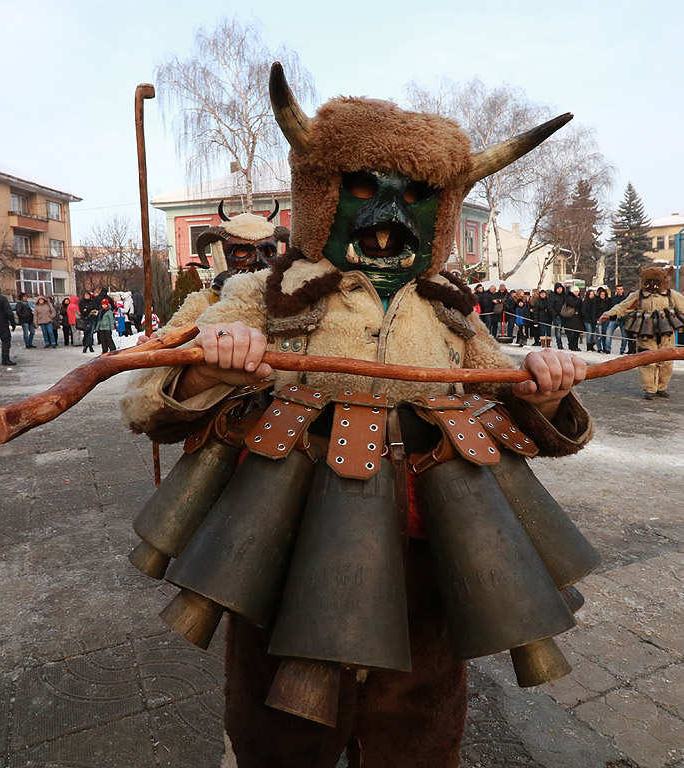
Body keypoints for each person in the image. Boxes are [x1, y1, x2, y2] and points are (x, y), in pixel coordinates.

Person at [120, 76, 593, 768]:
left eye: (416, 199)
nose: (389, 221)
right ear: (324, 198)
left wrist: (548, 392)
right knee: (280, 737)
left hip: (427, 550)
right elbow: (144, 400)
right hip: (281, 548)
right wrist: (207, 369)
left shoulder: (451, 311)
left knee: (420, 735)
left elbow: (507, 395)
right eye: (366, 194)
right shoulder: (257, 294)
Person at [601, 263, 684, 400]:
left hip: (666, 333)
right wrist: (609, 314)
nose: (652, 285)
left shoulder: (671, 295)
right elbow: (623, 306)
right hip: (645, 332)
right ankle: (649, 389)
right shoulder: (638, 295)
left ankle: (661, 387)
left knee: (666, 362)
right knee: (647, 361)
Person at [606, 284, 628, 354]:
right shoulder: (613, 299)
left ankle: (622, 350)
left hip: (623, 319)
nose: (619, 291)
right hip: (613, 319)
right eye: (618, 289)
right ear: (616, 290)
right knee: (608, 334)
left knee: (624, 336)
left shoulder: (626, 298)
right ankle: (608, 349)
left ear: (623, 290)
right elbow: (610, 308)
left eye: (620, 289)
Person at [548, 283, 566, 349]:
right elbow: (550, 306)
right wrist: (555, 314)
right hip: (557, 315)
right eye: (558, 288)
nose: (559, 290)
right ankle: (559, 344)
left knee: (567, 329)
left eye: (560, 288)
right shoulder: (552, 296)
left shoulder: (565, 296)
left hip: (565, 315)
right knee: (558, 330)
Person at [594, 287, 611, 353]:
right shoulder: (596, 301)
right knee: (598, 334)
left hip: (605, 319)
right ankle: (599, 348)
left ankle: (605, 347)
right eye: (601, 294)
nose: (602, 296)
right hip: (598, 318)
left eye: (603, 294)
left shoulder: (608, 301)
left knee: (605, 333)